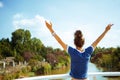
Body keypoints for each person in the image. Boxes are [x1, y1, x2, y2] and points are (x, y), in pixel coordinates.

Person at [45, 21, 113, 80]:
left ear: (74, 42)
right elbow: (98, 40)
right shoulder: (88, 52)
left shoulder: (72, 51)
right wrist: (106, 30)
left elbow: (59, 41)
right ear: (83, 42)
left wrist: (50, 29)